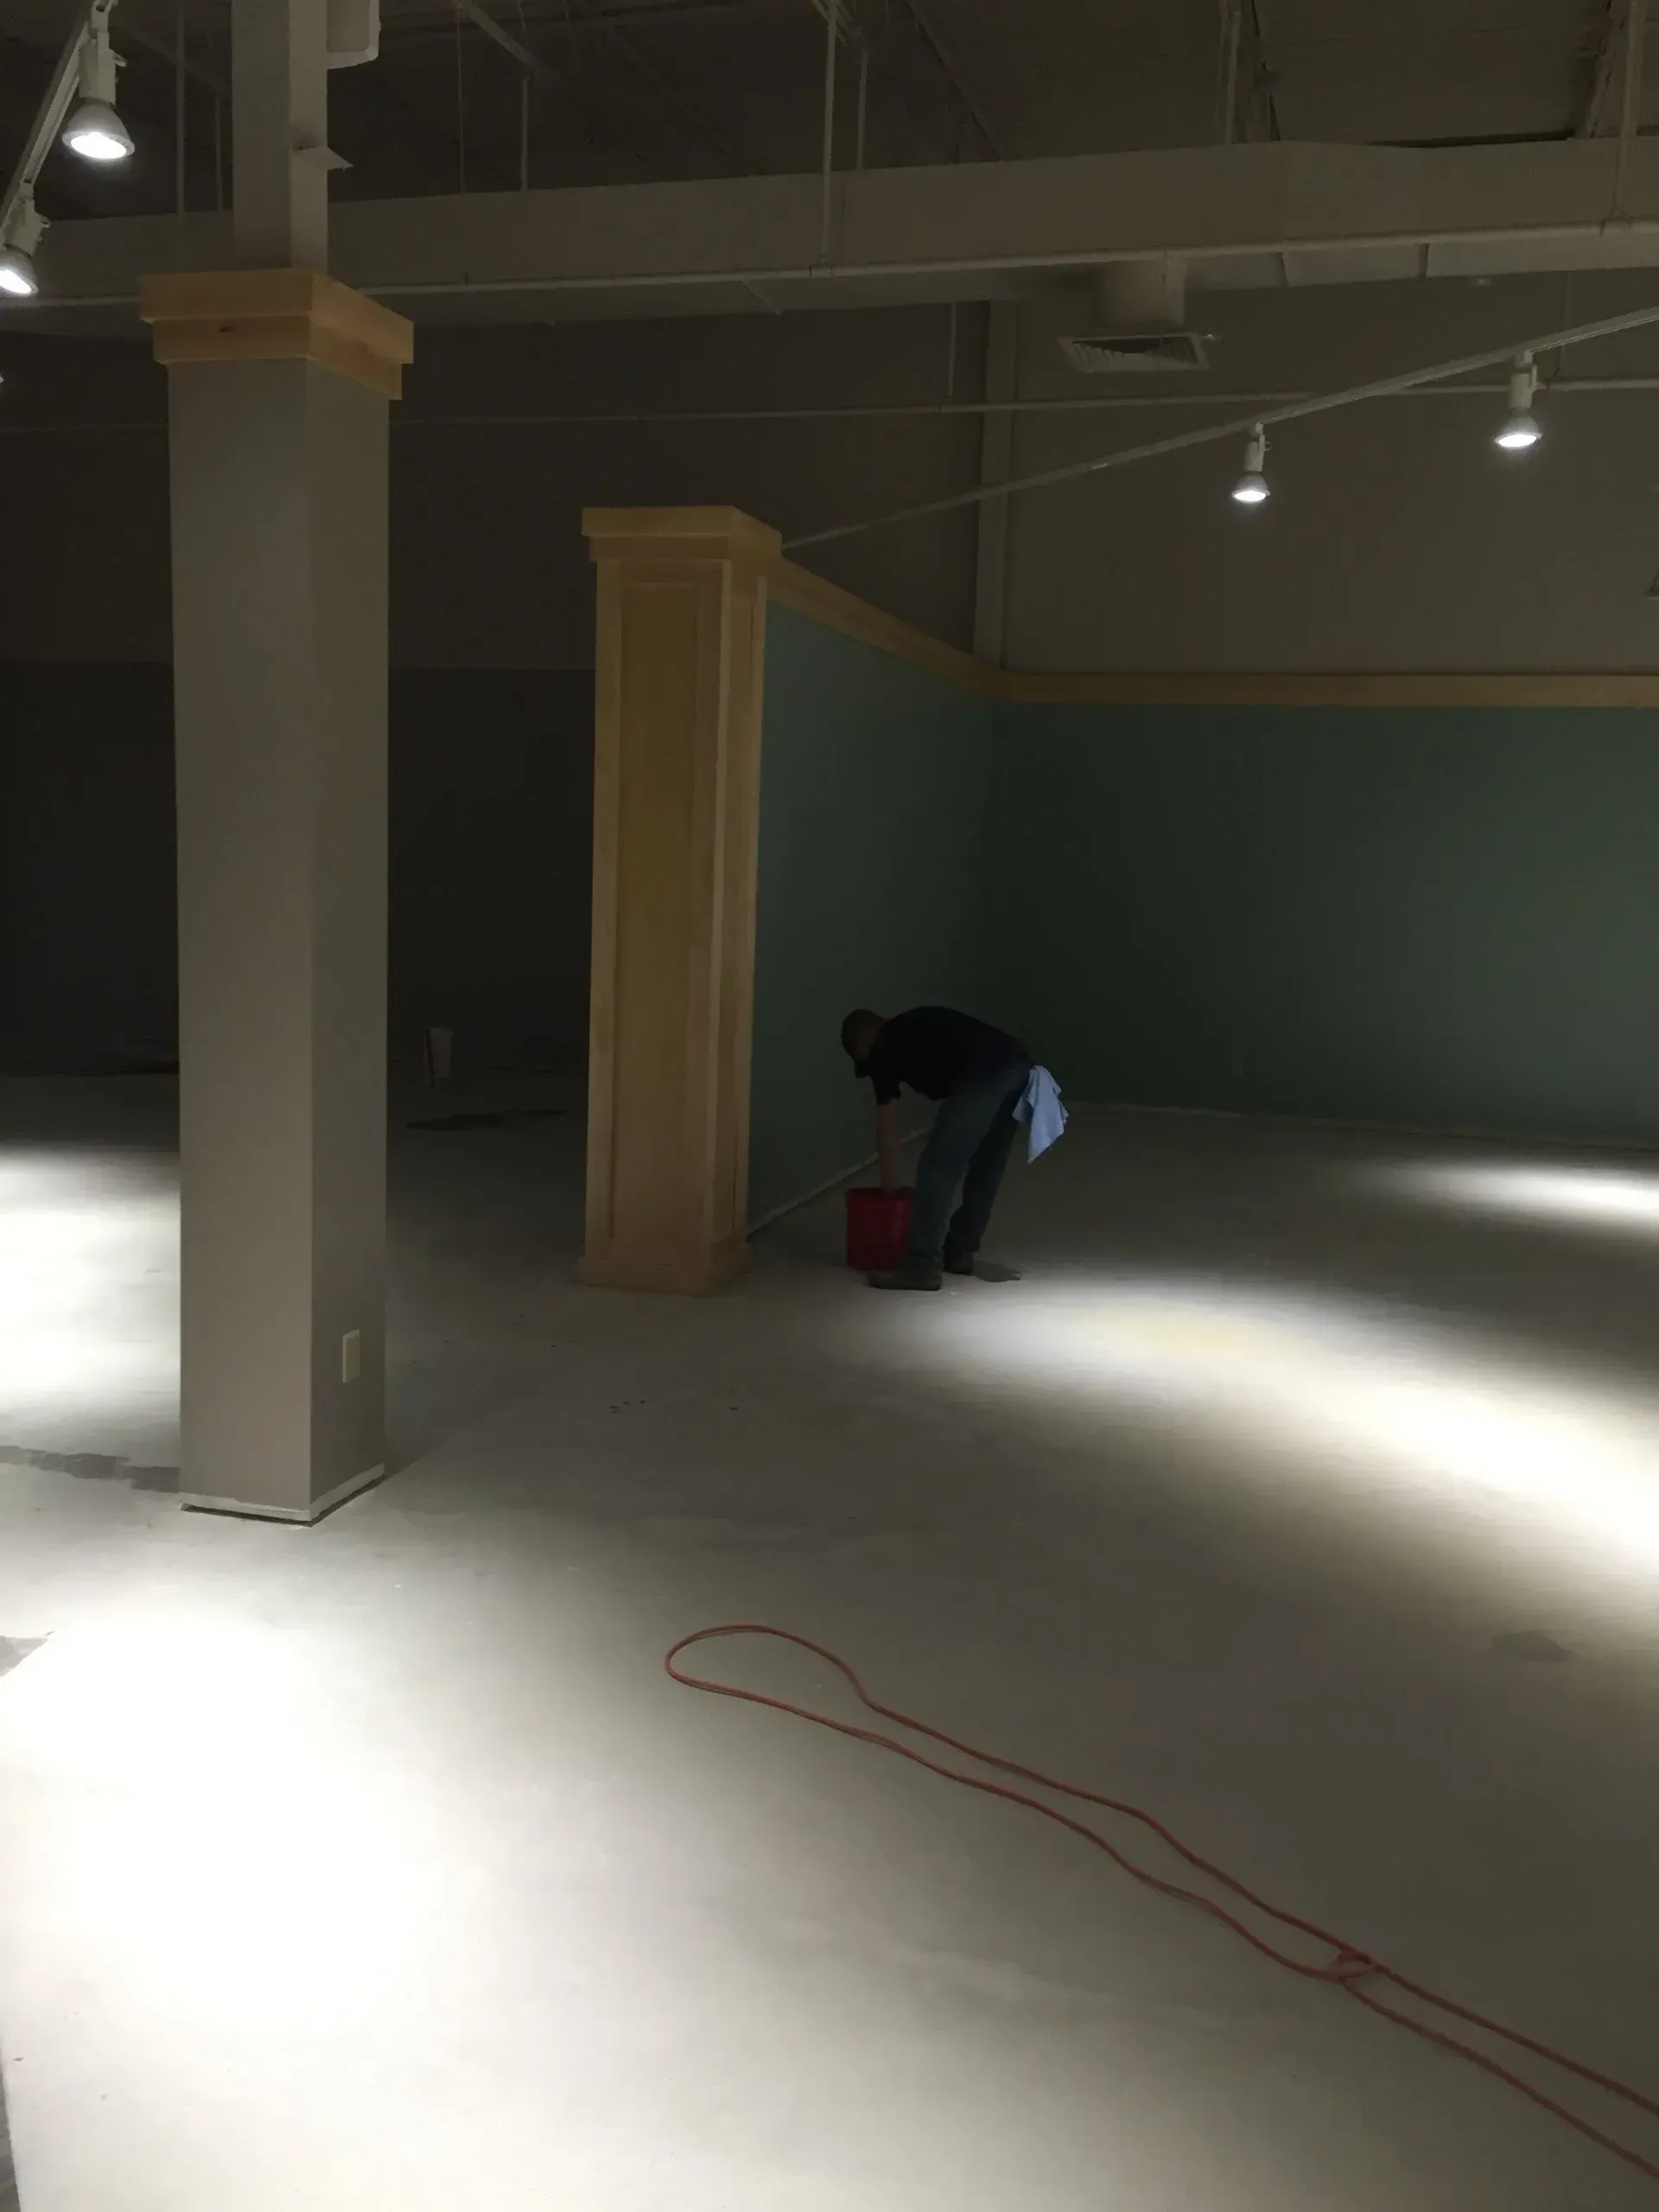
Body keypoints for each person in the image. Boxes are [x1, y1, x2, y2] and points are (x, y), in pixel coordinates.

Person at [841, 1005, 1031, 1291]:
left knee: (937, 1169)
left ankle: (922, 1266)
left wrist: (889, 1189)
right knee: (986, 1165)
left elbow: (886, 1123)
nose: (871, 1071)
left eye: (863, 1062)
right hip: (1020, 1066)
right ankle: (960, 1251)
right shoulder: (914, 1024)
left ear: (863, 1041)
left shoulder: (883, 1044)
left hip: (985, 1073)